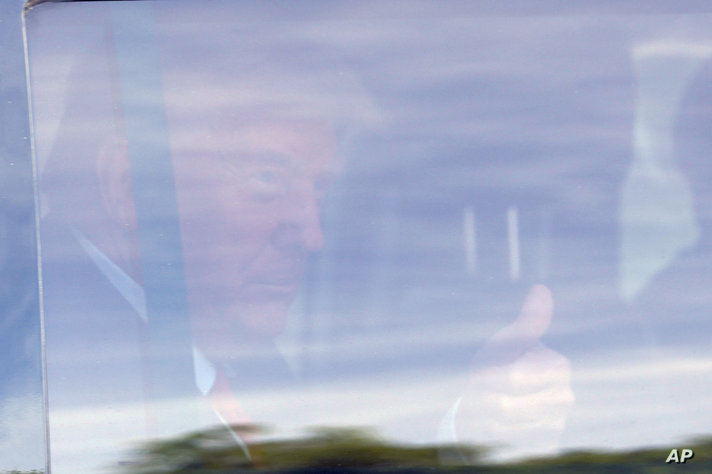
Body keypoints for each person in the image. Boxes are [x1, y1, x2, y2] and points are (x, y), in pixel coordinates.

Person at [37, 5, 574, 470]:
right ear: (129, 186)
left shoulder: (230, 360)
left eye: (318, 190)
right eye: (267, 180)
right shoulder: (49, 378)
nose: (311, 236)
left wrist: (473, 433)